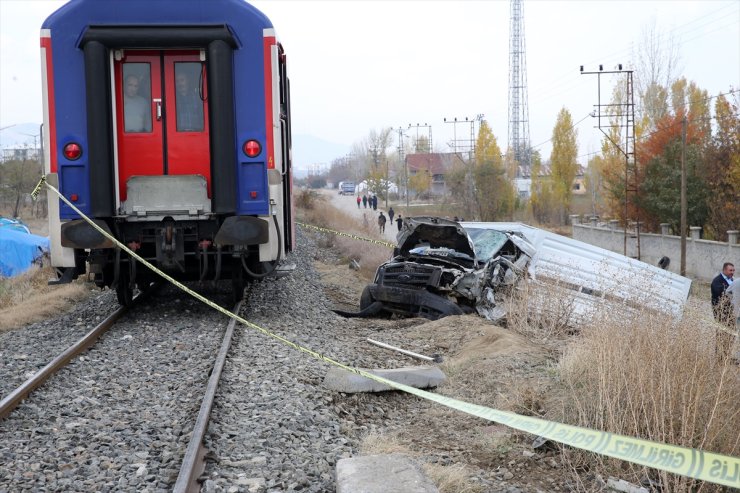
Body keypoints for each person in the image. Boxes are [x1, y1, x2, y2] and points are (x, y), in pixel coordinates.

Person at [711, 262, 735, 358]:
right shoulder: (717, 281)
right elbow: (720, 293)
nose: (732, 272)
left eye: (733, 270)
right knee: (721, 333)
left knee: (730, 333)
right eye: (730, 270)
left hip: (731, 312)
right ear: (724, 270)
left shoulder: (731, 280)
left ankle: (726, 355)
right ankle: (719, 356)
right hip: (721, 312)